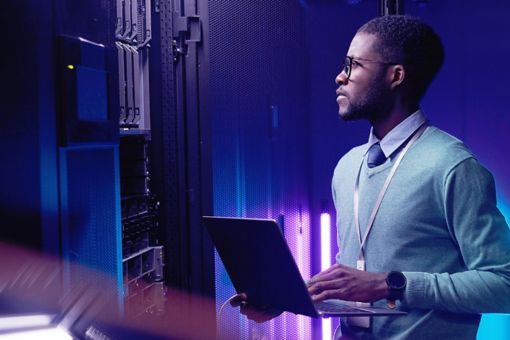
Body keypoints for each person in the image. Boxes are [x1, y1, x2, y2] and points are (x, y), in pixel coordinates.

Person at [305, 14, 510, 339]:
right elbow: (354, 274)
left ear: (395, 75)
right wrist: (291, 298)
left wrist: (391, 284)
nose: (339, 78)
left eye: (352, 65)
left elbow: (504, 283)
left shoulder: (452, 165)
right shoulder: (346, 167)